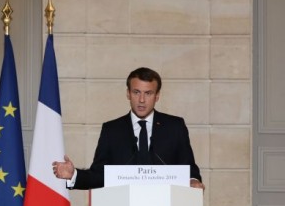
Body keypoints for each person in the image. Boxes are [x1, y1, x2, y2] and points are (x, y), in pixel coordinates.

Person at [52, 67, 204, 190]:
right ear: (128, 94)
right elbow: (100, 175)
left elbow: (188, 167)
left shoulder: (174, 127)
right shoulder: (112, 130)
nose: (142, 100)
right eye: (136, 92)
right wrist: (74, 175)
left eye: (148, 93)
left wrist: (193, 181)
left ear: (157, 96)